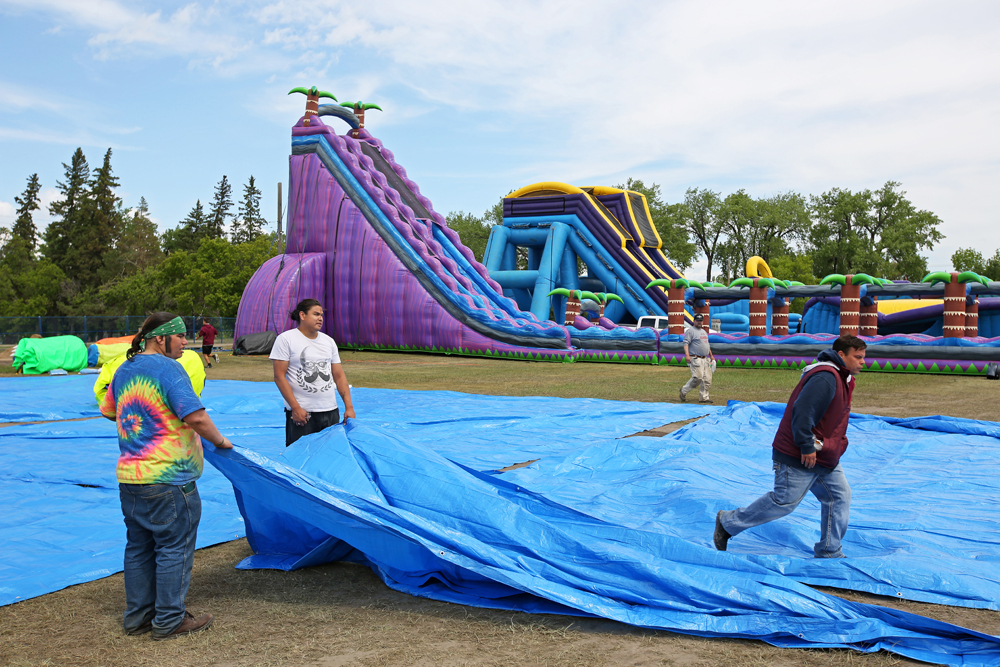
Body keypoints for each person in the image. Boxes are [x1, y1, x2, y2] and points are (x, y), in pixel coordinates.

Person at [99, 312, 234, 640]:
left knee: (138, 547)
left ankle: (138, 617)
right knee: (174, 546)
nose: (186, 341)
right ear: (161, 339)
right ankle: (170, 619)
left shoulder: (123, 369)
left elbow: (108, 410)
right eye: (181, 336)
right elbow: (196, 417)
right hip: (169, 479)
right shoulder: (169, 370)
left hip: (130, 478)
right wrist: (221, 442)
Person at [713, 335, 867, 558]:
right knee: (784, 501)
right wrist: (806, 446)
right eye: (858, 357)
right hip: (801, 453)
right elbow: (803, 412)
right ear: (841, 355)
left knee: (839, 496)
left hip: (825, 453)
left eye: (864, 357)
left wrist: (834, 446)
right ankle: (728, 522)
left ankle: (830, 550)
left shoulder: (843, 378)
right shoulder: (826, 377)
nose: (863, 362)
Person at [270, 299, 356, 446]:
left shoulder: (328, 341)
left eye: (321, 315)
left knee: (329, 454)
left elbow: (339, 376)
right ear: (302, 315)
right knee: (301, 456)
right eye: (316, 314)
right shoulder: (286, 339)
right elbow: (279, 377)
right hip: (303, 413)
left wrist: (349, 407)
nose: (320, 318)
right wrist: (296, 408)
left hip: (330, 411)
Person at [679, 314, 714, 404]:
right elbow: (686, 343)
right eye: (698, 320)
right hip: (696, 358)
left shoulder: (704, 331)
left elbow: (707, 345)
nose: (699, 322)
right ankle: (683, 391)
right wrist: (687, 355)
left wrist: (711, 356)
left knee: (707, 379)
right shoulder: (691, 331)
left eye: (701, 320)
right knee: (697, 378)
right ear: (694, 321)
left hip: (705, 358)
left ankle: (704, 398)